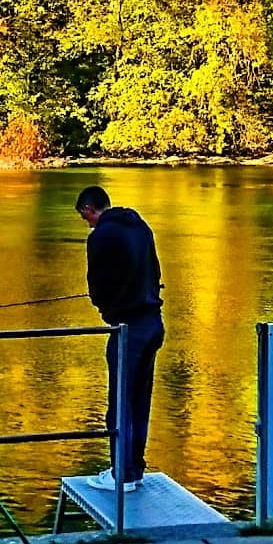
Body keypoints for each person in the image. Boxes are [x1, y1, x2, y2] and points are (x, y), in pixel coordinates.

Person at [76, 185, 164, 492]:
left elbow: (97, 283)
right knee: (140, 400)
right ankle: (134, 469)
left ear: (88, 210)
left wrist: (106, 309)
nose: (87, 223)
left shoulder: (99, 236)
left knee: (120, 403)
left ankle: (120, 475)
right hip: (154, 323)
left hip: (128, 328)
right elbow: (155, 271)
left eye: (85, 218)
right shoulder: (141, 226)